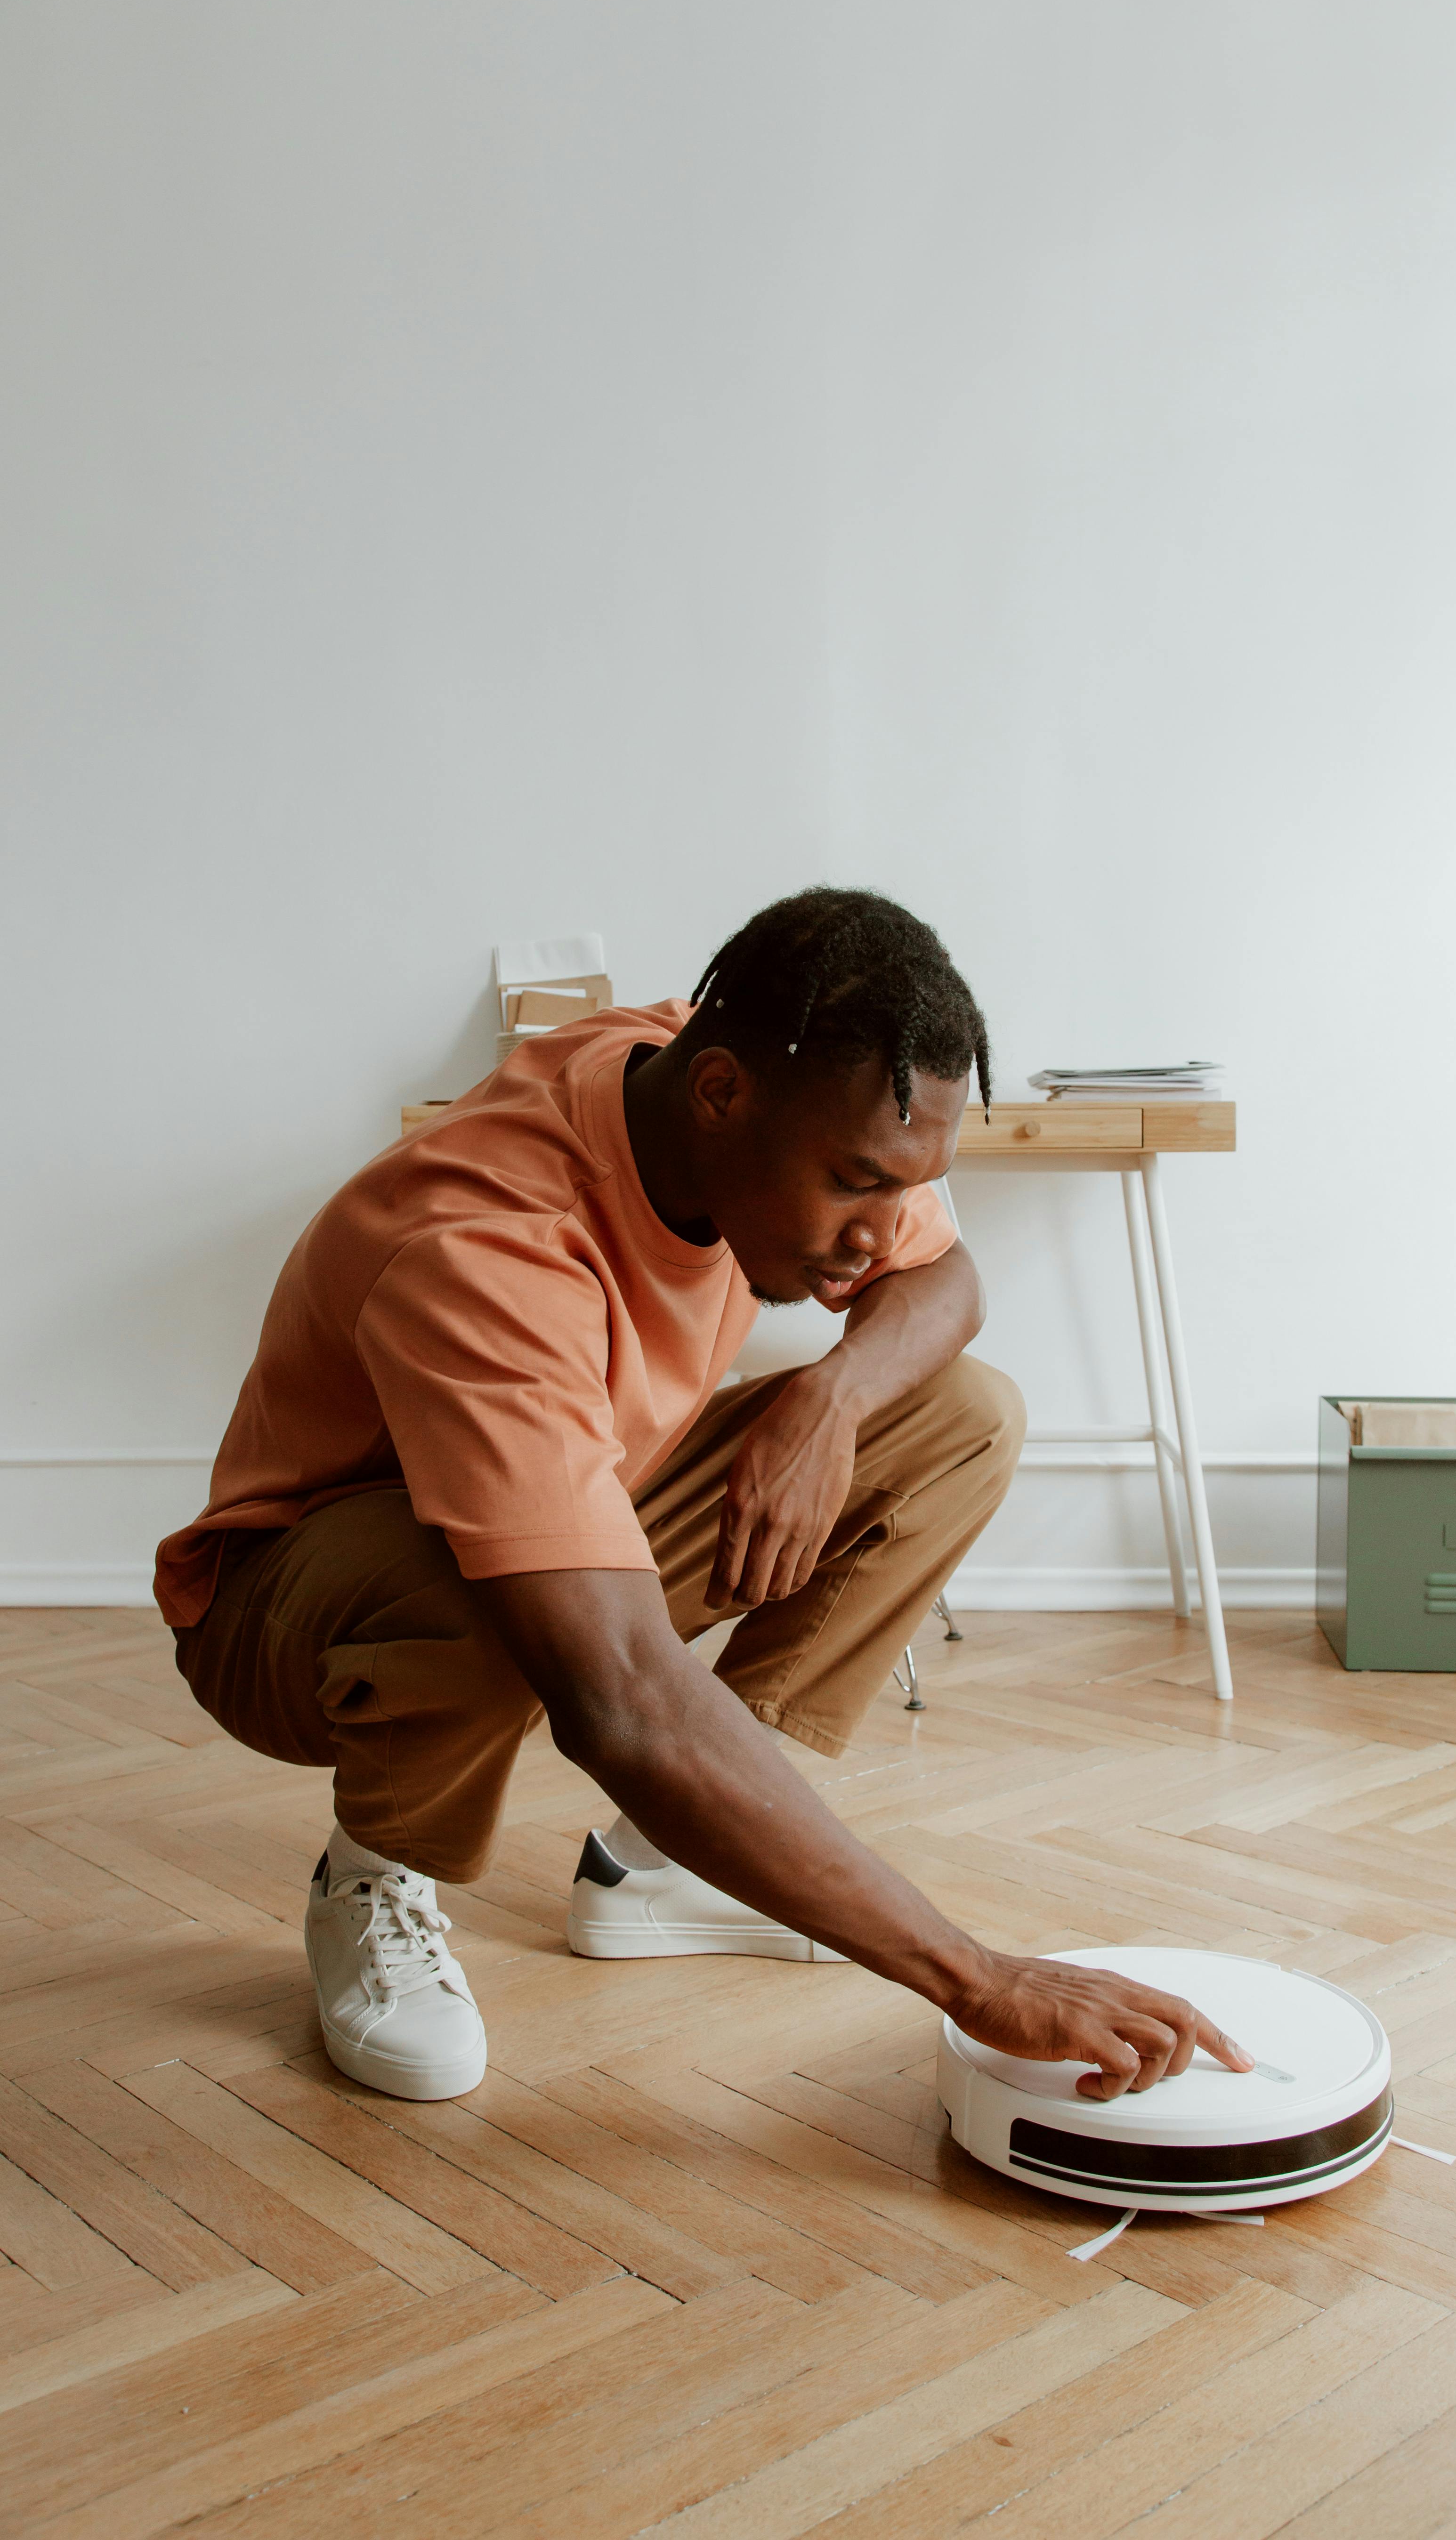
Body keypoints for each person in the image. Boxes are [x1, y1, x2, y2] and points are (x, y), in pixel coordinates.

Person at [158, 888, 1251, 2105]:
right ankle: (375, 1874)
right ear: (722, 1096)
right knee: (476, 1583)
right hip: (290, 1612)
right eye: (855, 1184)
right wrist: (977, 1978)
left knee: (959, 1415)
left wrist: (830, 1398)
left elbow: (950, 1284)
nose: (876, 1233)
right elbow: (621, 1700)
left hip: (570, 1500)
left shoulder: (714, 1063)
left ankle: (661, 1871)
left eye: (903, 1188)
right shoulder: (491, 1249)